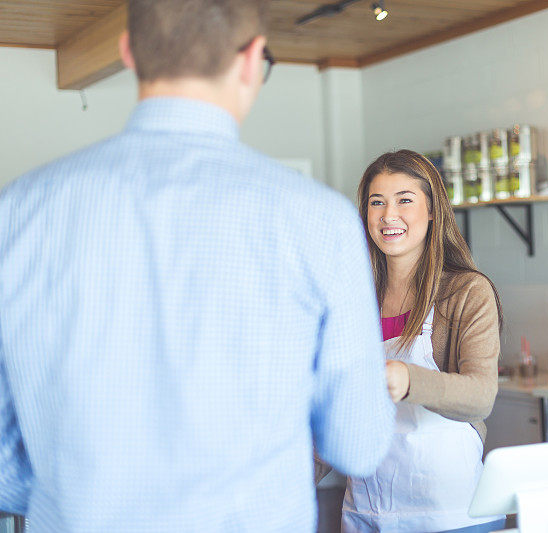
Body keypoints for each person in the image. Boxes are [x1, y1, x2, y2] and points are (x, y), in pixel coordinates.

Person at [0, 1, 394, 531]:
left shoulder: (19, 209)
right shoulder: (320, 220)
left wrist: (75, 491)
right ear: (252, 60)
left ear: (128, 52)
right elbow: (359, 444)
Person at [341, 150, 506, 532]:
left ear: (433, 210)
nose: (388, 215)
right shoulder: (352, 297)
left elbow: (481, 396)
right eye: (376, 202)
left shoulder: (466, 291)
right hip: (367, 509)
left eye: (405, 200)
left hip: (450, 513)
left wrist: (408, 379)